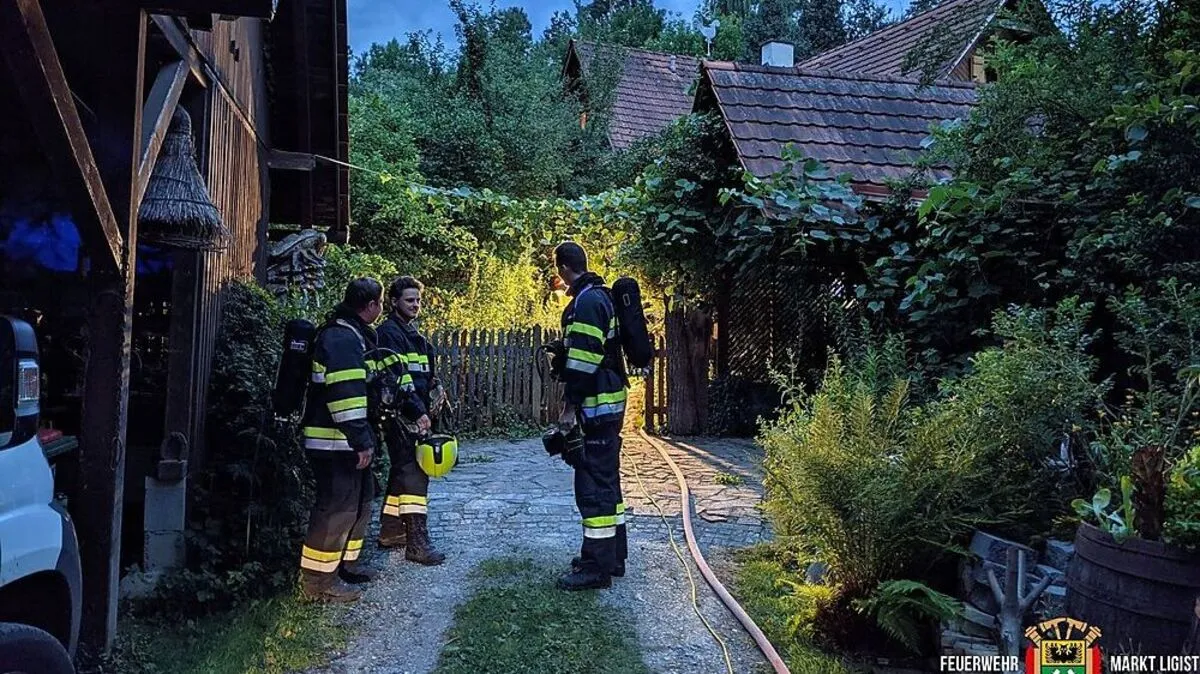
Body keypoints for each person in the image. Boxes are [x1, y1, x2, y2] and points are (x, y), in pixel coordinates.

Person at [297, 278, 385, 602]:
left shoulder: (352, 335)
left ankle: (342, 569)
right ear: (372, 305)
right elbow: (346, 396)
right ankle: (318, 584)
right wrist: (361, 440)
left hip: (344, 439)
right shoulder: (343, 338)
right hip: (334, 442)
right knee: (336, 509)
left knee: (357, 504)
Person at [553, 241, 629, 591]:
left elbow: (584, 362)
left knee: (592, 486)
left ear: (563, 268)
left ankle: (595, 568)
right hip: (609, 402)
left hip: (596, 406)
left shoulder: (586, 302)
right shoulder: (601, 296)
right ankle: (612, 557)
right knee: (607, 480)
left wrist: (569, 408)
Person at [375, 275, 446, 565]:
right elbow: (396, 380)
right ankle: (417, 542)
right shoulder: (389, 334)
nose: (415, 305)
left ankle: (391, 530)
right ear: (393, 302)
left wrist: (437, 385)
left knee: (401, 471)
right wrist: (417, 414)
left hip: (417, 414)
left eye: (417, 300)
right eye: (409, 300)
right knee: (415, 474)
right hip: (401, 417)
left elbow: (424, 374)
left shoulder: (415, 337)